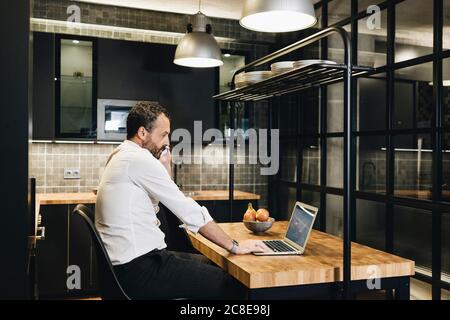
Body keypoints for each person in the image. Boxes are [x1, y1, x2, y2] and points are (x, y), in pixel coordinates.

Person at [95, 101, 268, 300]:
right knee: (230, 284)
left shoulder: (121, 155)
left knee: (211, 263)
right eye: (163, 134)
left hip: (126, 267)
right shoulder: (139, 159)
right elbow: (187, 210)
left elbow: (158, 197)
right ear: (143, 133)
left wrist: (164, 165)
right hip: (140, 269)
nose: (167, 141)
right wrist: (235, 246)